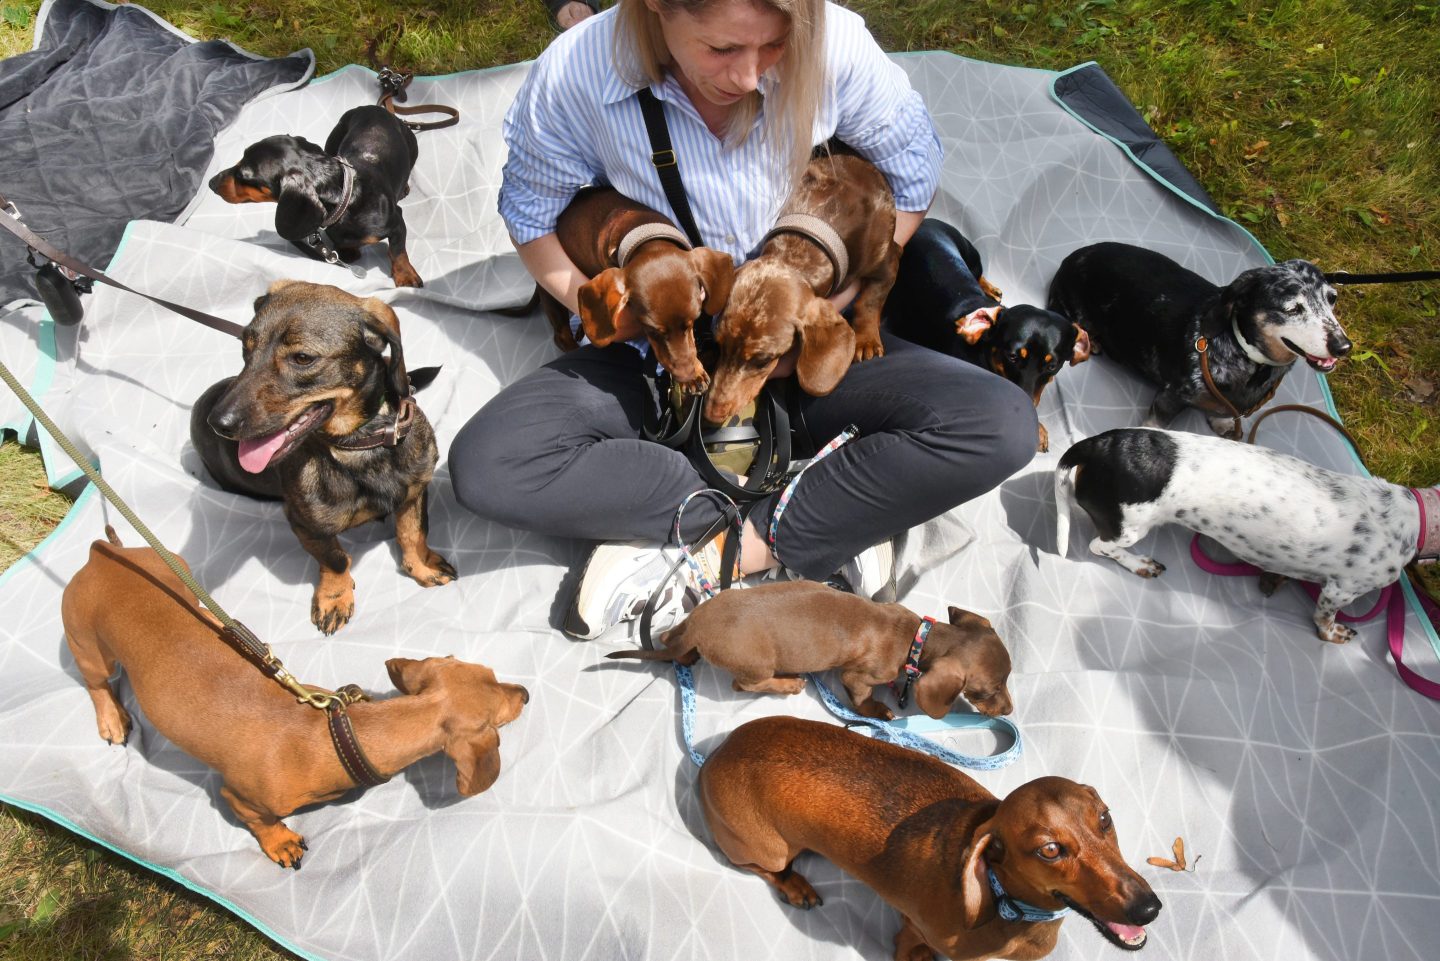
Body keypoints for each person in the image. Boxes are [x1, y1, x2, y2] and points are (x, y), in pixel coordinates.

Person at [450, 0, 1037, 640]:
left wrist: (815, 314)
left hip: (798, 336)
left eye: (777, 45)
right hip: (661, 344)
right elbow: (533, 218)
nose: (751, 77)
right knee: (488, 466)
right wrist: (610, 316)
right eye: (723, 49)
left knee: (1001, 424)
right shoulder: (576, 72)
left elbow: (912, 176)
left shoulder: (834, 41)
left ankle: (744, 544)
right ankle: (801, 512)